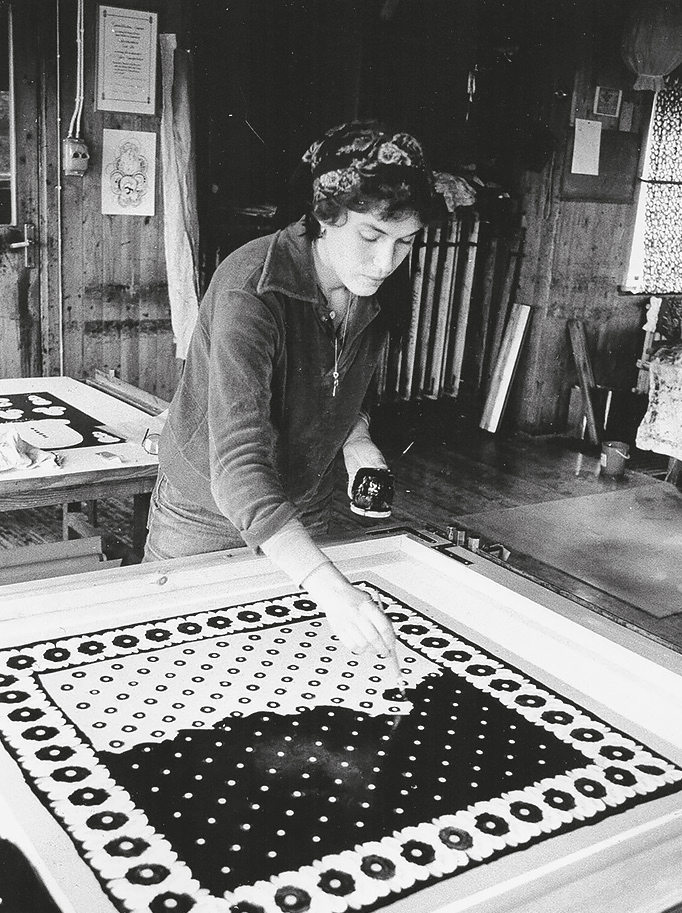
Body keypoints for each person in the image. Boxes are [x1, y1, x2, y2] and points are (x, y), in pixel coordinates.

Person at [144, 120, 435, 662]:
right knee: (181, 667)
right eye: (371, 236)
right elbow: (236, 464)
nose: (385, 263)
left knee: (285, 668)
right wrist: (329, 586)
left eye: (404, 243)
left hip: (304, 504)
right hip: (206, 515)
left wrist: (357, 441)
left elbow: (338, 385)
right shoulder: (250, 288)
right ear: (325, 215)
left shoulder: (372, 289)